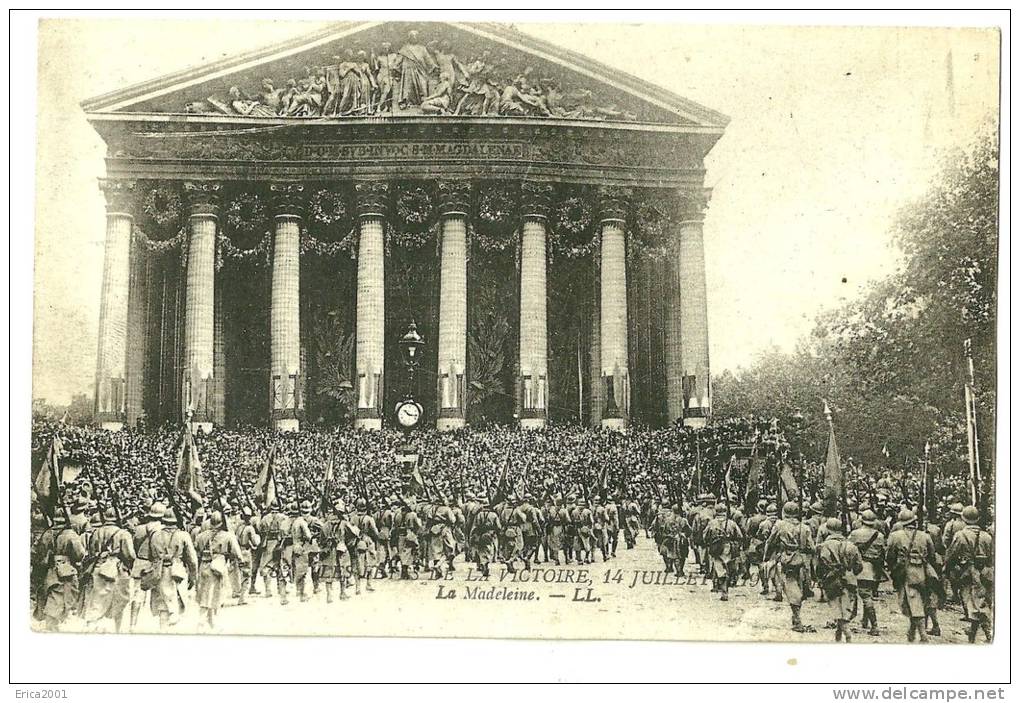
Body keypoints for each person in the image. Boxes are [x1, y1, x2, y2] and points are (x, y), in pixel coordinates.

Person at [885, 509, 937, 643]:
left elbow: (889, 555)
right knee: (916, 601)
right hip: (922, 572)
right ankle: (911, 632)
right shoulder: (925, 536)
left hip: (905, 572)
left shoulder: (895, 536)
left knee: (911, 602)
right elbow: (932, 555)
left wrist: (893, 569)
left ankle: (923, 636)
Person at [764, 501, 816, 633]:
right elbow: (811, 547)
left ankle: (797, 618)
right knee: (800, 586)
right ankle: (797, 614)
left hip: (787, 559)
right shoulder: (805, 527)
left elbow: (770, 542)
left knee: (791, 585)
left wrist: (767, 557)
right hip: (803, 561)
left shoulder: (780, 526)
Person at [81, 507, 135, 632]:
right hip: (116, 570)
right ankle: (116, 629)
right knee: (119, 600)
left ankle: (92, 627)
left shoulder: (97, 532)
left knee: (97, 600)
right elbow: (130, 555)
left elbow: (92, 551)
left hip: (98, 568)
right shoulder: (123, 533)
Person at [946, 505, 994, 643]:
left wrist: (947, 569)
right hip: (985, 572)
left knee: (974, 604)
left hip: (968, 573)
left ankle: (987, 634)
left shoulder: (960, 535)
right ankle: (973, 634)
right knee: (979, 602)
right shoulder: (987, 536)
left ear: (963, 518)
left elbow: (951, 554)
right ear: (978, 519)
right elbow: (992, 557)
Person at [147, 507, 198, 630]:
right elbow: (192, 559)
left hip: (159, 571)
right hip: (177, 571)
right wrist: (193, 576)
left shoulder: (155, 535)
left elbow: (150, 556)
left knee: (162, 604)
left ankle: (163, 630)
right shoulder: (183, 535)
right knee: (177, 602)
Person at [815, 517, 863, 643]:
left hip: (832, 580)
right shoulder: (851, 545)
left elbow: (819, 566)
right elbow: (859, 566)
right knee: (846, 608)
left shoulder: (823, 546)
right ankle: (839, 633)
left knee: (837, 609)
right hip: (849, 579)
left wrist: (821, 579)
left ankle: (847, 635)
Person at [193, 511, 243, 629]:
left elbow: (196, 551)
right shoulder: (228, 536)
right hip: (218, 567)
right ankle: (202, 622)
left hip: (203, 566)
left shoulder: (201, 536)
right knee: (215, 596)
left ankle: (211, 623)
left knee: (206, 594)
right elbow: (238, 554)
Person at [39, 512, 87, 631]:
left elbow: (39, 551)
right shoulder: (70, 534)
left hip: (50, 568)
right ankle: (55, 624)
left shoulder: (47, 533)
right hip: (66, 569)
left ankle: (52, 623)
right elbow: (80, 554)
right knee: (66, 595)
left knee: (53, 593)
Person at [849, 509, 886, 636]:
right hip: (874, 569)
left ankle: (874, 626)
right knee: (867, 594)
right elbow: (882, 553)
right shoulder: (880, 536)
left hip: (860, 567)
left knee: (864, 595)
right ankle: (865, 621)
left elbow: (849, 549)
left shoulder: (855, 534)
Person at [704, 503, 743, 601]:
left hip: (716, 548)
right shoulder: (731, 523)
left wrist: (710, 542)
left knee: (720, 569)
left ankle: (724, 592)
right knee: (729, 568)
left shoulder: (711, 523)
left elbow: (705, 536)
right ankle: (726, 587)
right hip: (729, 548)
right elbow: (739, 536)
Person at [468, 496, 500, 578]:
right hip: (490, 534)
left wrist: (472, 536)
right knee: (490, 550)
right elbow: (498, 527)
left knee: (481, 550)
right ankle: (485, 564)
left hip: (480, 534)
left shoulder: (478, 515)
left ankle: (482, 564)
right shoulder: (493, 515)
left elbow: (474, 526)